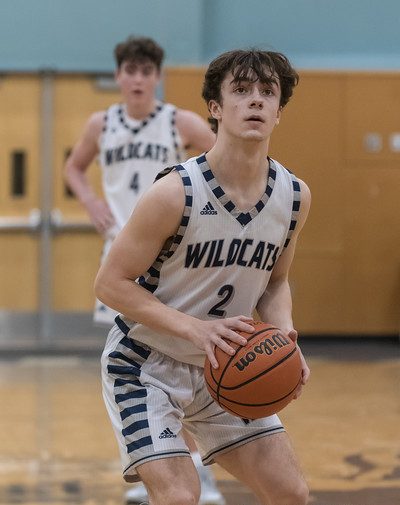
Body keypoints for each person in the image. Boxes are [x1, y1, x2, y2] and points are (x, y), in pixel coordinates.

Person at [95, 47, 311, 505]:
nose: (255, 100)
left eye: (267, 92)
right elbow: (109, 284)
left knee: (290, 492)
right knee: (179, 496)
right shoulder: (174, 192)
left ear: (279, 112)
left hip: (226, 365)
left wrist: (282, 335)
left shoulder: (293, 196)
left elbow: (275, 281)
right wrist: (197, 329)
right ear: (215, 108)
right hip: (144, 364)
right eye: (241, 90)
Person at [64, 36, 222, 505]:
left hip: (169, 258)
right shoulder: (101, 123)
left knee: (173, 361)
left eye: (145, 71)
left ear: (157, 76)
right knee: (130, 366)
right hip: (121, 259)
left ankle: (197, 471)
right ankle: (157, 463)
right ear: (118, 76)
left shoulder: (179, 121)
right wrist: (91, 201)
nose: (137, 79)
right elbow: (74, 168)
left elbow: (223, 161)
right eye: (129, 71)